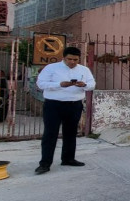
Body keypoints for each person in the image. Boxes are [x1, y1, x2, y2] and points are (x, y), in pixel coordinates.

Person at [34, 46, 95, 174]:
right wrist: (59, 84)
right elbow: (41, 84)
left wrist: (84, 85)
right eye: (69, 59)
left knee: (71, 133)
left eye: (75, 60)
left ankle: (68, 158)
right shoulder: (51, 68)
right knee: (50, 134)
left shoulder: (84, 70)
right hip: (53, 105)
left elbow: (92, 84)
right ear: (64, 58)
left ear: (79, 59)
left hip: (74, 105)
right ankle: (45, 163)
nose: (72, 62)